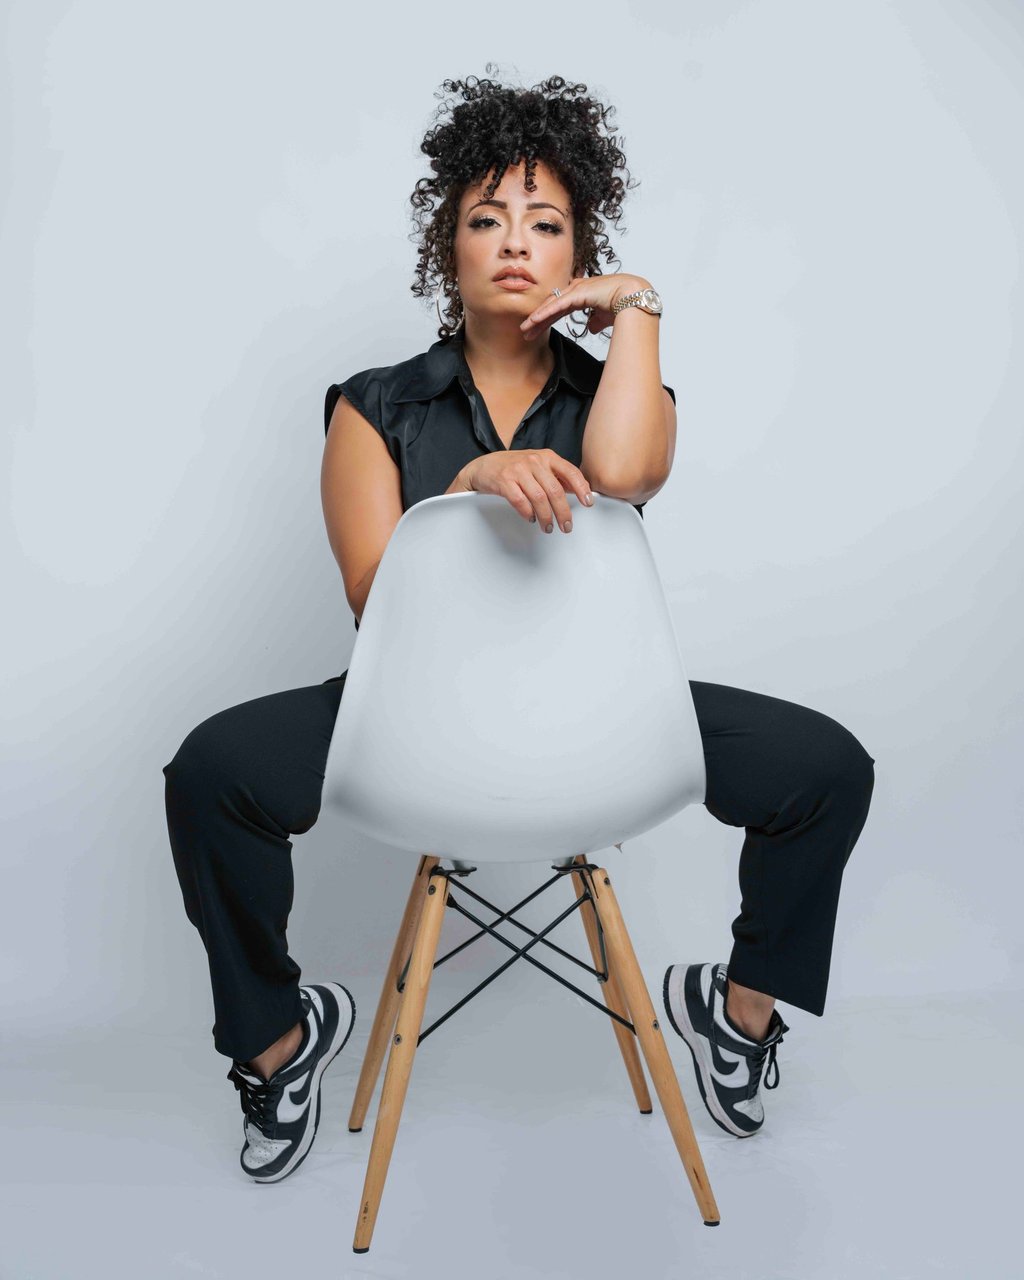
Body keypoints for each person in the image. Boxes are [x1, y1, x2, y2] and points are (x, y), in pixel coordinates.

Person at [163, 71, 876, 1183]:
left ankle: (736, 1017)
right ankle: (278, 1045)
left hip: (602, 711)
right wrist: (469, 488)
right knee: (211, 772)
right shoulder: (373, 405)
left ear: (577, 253)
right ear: (444, 247)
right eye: (485, 219)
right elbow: (371, 597)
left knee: (826, 768)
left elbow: (625, 473)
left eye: (546, 223)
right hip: (408, 713)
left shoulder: (618, 390)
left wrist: (637, 310)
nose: (513, 243)